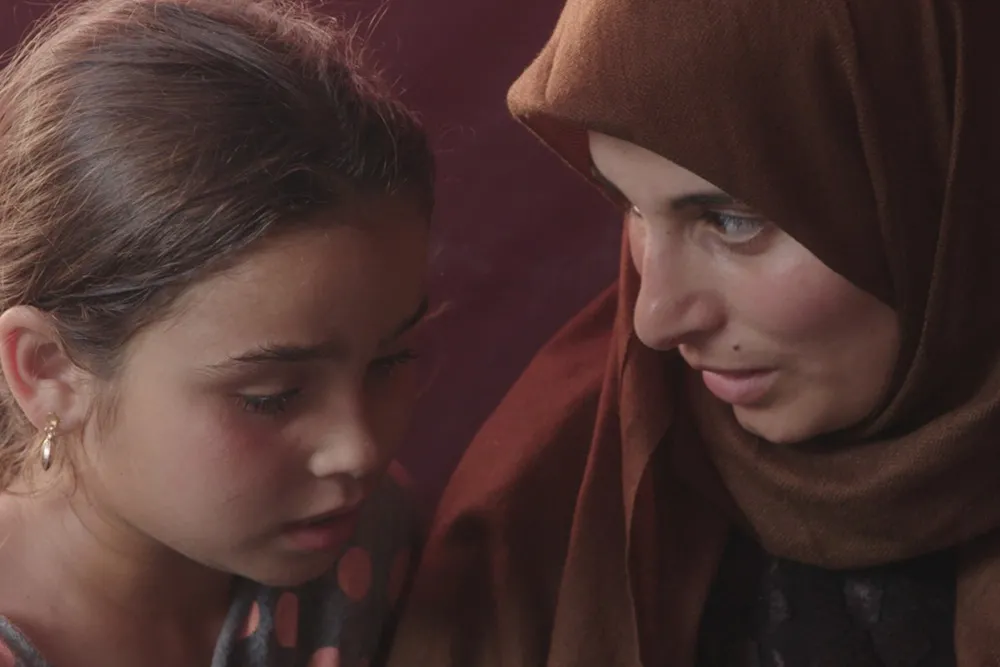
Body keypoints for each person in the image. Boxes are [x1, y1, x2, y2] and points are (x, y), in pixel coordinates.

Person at [385, 0, 1000, 665]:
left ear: (942, 185)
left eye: (730, 220)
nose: (653, 319)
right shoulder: (537, 514)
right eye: (630, 207)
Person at [0, 0, 433, 665]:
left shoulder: (373, 548)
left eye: (391, 359)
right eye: (273, 394)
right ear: (49, 370)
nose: (360, 450)